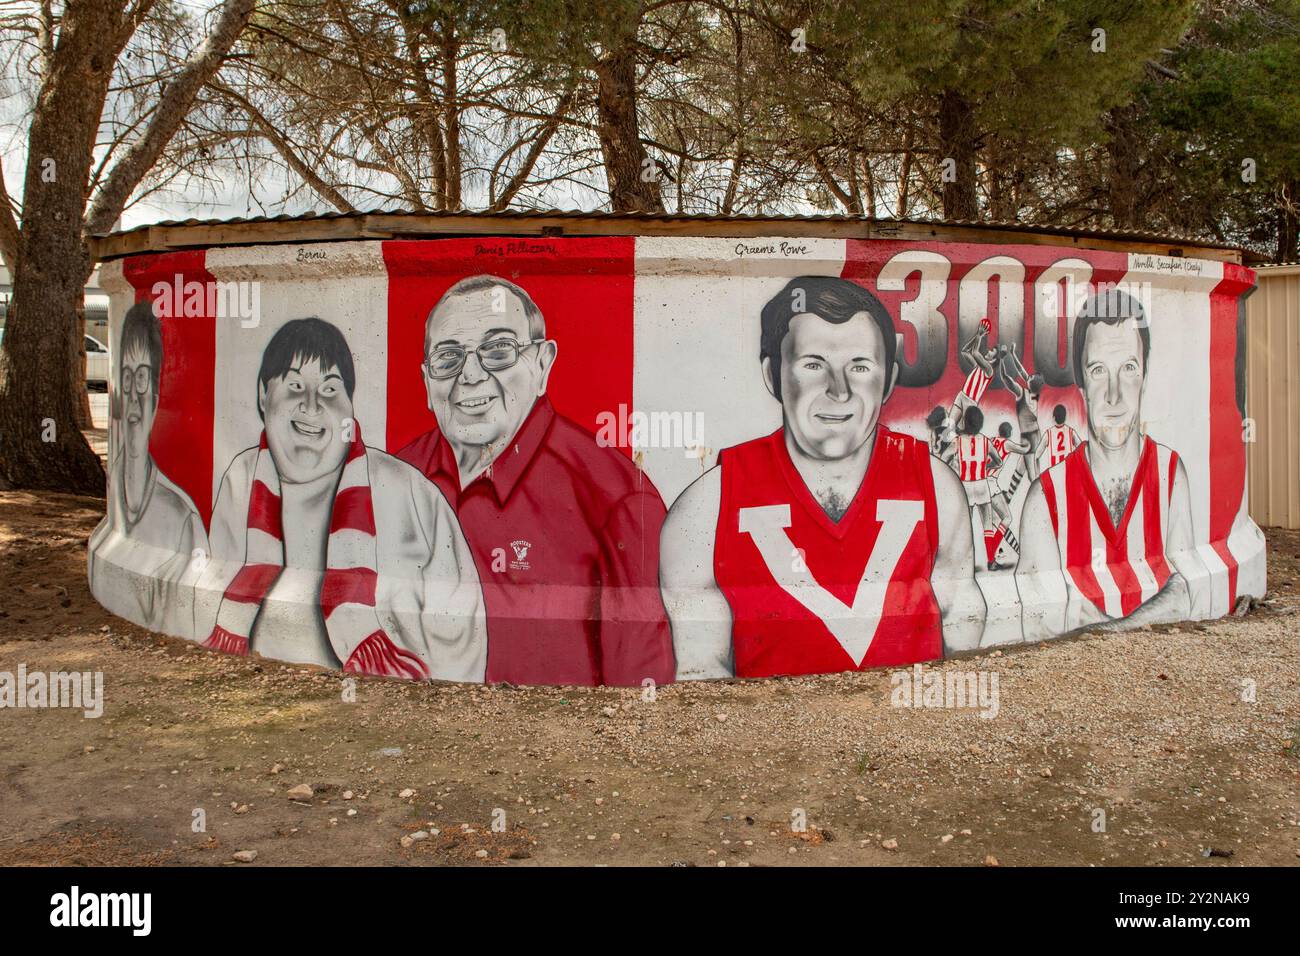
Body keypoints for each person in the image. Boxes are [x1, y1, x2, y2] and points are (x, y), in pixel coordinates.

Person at [660, 276, 985, 680]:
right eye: (814, 364)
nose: (840, 390)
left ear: (887, 382)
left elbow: (963, 626)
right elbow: (703, 678)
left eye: (860, 366)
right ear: (772, 375)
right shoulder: (706, 510)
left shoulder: (937, 488)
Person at [396, 275, 674, 687]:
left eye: (498, 350)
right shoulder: (393, 480)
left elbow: (636, 698)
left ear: (542, 363)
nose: (470, 375)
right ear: (426, 381)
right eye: (448, 357)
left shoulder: (615, 496)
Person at [197, 318, 486, 681]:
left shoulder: (408, 490)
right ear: (262, 394)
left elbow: (462, 623)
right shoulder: (241, 479)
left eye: (331, 389)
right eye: (295, 385)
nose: (312, 405)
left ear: (350, 405)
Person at [1016, 289, 1209, 638]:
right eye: (1099, 370)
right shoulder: (1045, 497)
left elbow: (1184, 594)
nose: (1114, 394)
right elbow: (1038, 616)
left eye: (1129, 369)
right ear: (1082, 384)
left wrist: (1104, 631)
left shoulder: (1169, 473)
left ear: (1146, 376)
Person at [89, 300, 207, 637]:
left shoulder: (181, 518)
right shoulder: (115, 487)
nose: (133, 395)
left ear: (157, 394)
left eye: (143, 379)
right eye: (125, 379)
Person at [942, 406, 1006, 571]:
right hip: (982, 484)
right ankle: (991, 561)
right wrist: (985, 467)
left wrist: (954, 472)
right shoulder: (985, 441)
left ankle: (964, 562)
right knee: (987, 524)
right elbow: (999, 462)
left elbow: (944, 458)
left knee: (966, 527)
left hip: (965, 486)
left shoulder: (958, 441)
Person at [1000, 344, 1045, 496]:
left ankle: (1042, 499)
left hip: (1028, 438)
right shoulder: (1034, 394)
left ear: (1031, 383)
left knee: (1033, 476)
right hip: (1035, 435)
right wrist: (1013, 354)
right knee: (1020, 469)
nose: (1028, 376)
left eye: (1030, 377)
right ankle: (1008, 497)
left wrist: (1002, 361)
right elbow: (1022, 372)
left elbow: (1007, 380)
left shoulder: (1022, 393)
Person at [1042, 404, 1080, 469]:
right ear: (1065, 418)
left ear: (1053, 418)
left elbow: (1036, 455)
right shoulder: (1071, 432)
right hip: (1069, 471)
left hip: (1054, 473)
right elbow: (1081, 449)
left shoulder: (1048, 433)